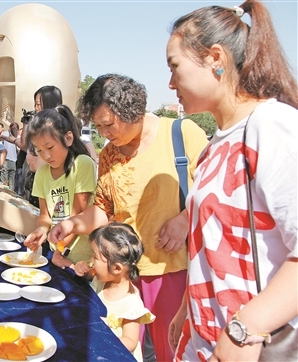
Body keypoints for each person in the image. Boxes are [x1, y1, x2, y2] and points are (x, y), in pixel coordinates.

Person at [165, 2, 298, 361]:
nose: (170, 82)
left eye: (175, 67)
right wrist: (185, 310)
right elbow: (210, 245)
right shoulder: (215, 145)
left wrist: (246, 328)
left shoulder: (273, 127)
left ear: (215, 58)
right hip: (204, 342)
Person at [48, 74, 209, 361]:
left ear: (132, 110)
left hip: (170, 271)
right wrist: (72, 223)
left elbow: (217, 192)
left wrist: (185, 219)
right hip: (120, 275)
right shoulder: (109, 154)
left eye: (108, 124)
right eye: (97, 126)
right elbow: (103, 209)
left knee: (170, 351)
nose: (103, 133)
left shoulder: (182, 135)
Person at [23, 105, 96, 269]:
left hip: (79, 257)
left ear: (68, 138)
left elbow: (77, 216)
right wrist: (41, 230)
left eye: (50, 147)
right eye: (39, 150)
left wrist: (60, 251)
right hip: (56, 253)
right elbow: (45, 215)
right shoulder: (42, 173)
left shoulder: (82, 164)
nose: (46, 156)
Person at [73, 222, 155, 361]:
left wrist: (104, 337)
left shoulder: (130, 303)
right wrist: (82, 269)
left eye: (95, 257)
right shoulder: (101, 280)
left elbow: (130, 341)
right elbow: (88, 275)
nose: (91, 260)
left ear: (116, 268)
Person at [0, 122, 19, 190]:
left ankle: (4, 194)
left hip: (6, 160)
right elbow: (18, 150)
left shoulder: (5, 134)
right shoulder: (18, 137)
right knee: (11, 182)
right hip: (13, 161)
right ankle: (11, 195)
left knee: (4, 182)